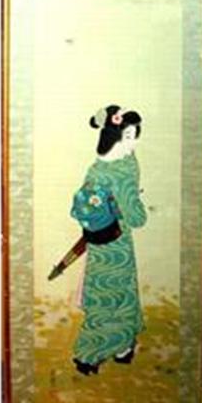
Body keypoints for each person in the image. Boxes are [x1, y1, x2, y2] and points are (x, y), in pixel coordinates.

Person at [70, 104, 147, 375]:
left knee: (100, 295)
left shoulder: (96, 168)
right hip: (119, 243)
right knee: (119, 295)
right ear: (113, 136)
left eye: (135, 135)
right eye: (128, 136)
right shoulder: (125, 168)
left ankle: (94, 352)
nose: (133, 143)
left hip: (98, 242)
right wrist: (138, 206)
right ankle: (118, 347)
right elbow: (137, 218)